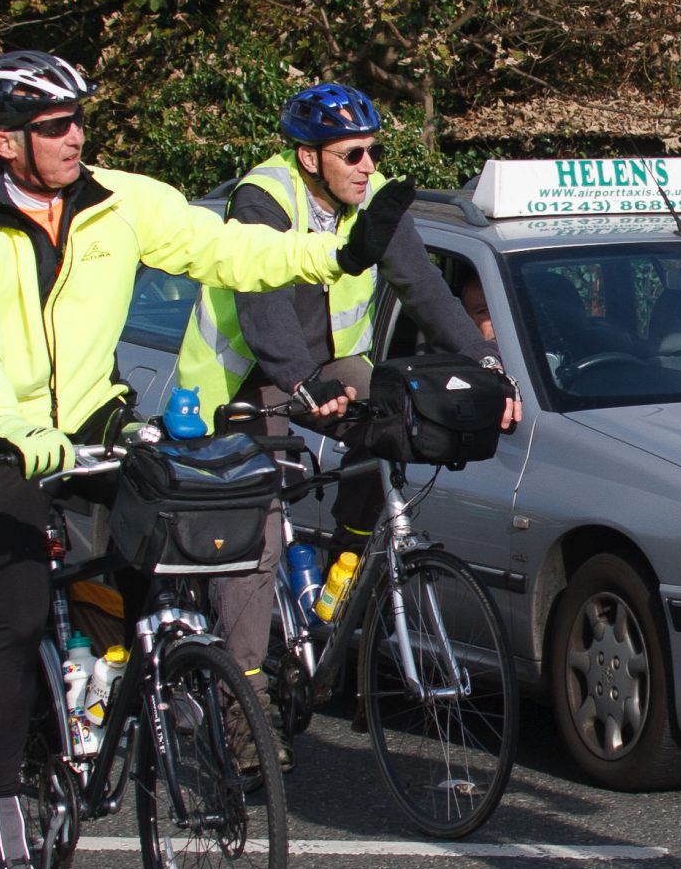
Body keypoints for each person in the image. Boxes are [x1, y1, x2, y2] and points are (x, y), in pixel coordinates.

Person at [0, 51, 415, 869]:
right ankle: (2, 811)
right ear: (6, 142)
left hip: (96, 420)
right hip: (2, 444)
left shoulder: (122, 201)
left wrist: (335, 249)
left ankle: (152, 690)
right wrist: (19, 433)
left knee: (163, 560)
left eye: (80, 120)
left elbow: (225, 249)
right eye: (54, 126)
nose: (76, 136)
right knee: (22, 613)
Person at [175, 83, 521, 696]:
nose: (368, 166)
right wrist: (301, 382)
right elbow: (263, 305)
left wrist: (486, 362)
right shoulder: (264, 198)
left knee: (402, 429)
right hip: (246, 377)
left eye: (371, 151)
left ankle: (341, 578)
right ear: (311, 158)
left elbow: (425, 288)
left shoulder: (372, 198)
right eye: (352, 155)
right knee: (259, 519)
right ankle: (243, 694)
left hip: (331, 365)